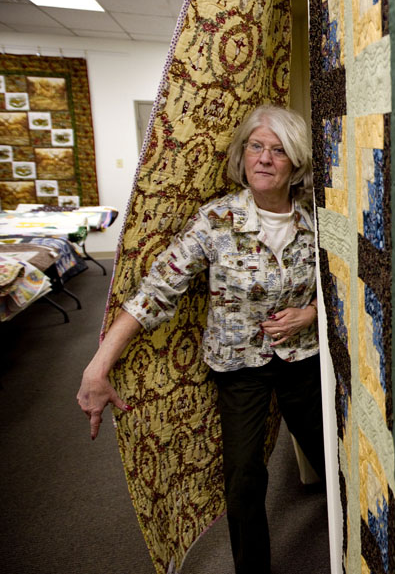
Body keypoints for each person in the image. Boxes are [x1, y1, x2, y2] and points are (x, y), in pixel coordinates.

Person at [77, 104, 325, 574]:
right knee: (245, 477)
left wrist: (310, 312)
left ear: (296, 163)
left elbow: (343, 286)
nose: (264, 159)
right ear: (242, 154)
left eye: (278, 150)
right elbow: (155, 292)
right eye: (256, 146)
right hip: (237, 367)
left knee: (333, 456)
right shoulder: (215, 221)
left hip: (302, 359)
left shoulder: (316, 221)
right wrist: (98, 366)